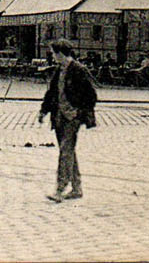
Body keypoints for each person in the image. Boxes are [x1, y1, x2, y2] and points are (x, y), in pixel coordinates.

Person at [39, 41, 97, 203]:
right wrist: (44, 111)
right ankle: (77, 188)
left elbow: (91, 95)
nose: (53, 56)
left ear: (60, 53)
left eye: (53, 53)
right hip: (59, 116)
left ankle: (60, 188)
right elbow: (52, 93)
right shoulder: (59, 70)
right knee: (68, 151)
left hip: (73, 117)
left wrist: (79, 112)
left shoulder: (78, 70)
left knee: (65, 151)